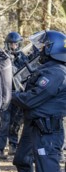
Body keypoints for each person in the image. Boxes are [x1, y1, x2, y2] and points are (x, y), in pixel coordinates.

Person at [12, 30, 66, 172]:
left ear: (51, 48)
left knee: (47, 168)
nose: (39, 50)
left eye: (43, 47)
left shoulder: (57, 73)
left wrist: (10, 95)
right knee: (22, 160)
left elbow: (30, 99)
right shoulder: (49, 69)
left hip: (47, 131)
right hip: (34, 125)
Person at [0, 32, 29, 159]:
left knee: (16, 122)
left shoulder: (24, 58)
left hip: (19, 93)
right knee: (4, 122)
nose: (13, 46)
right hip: (5, 93)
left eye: (15, 44)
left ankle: (13, 145)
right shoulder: (2, 56)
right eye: (11, 44)